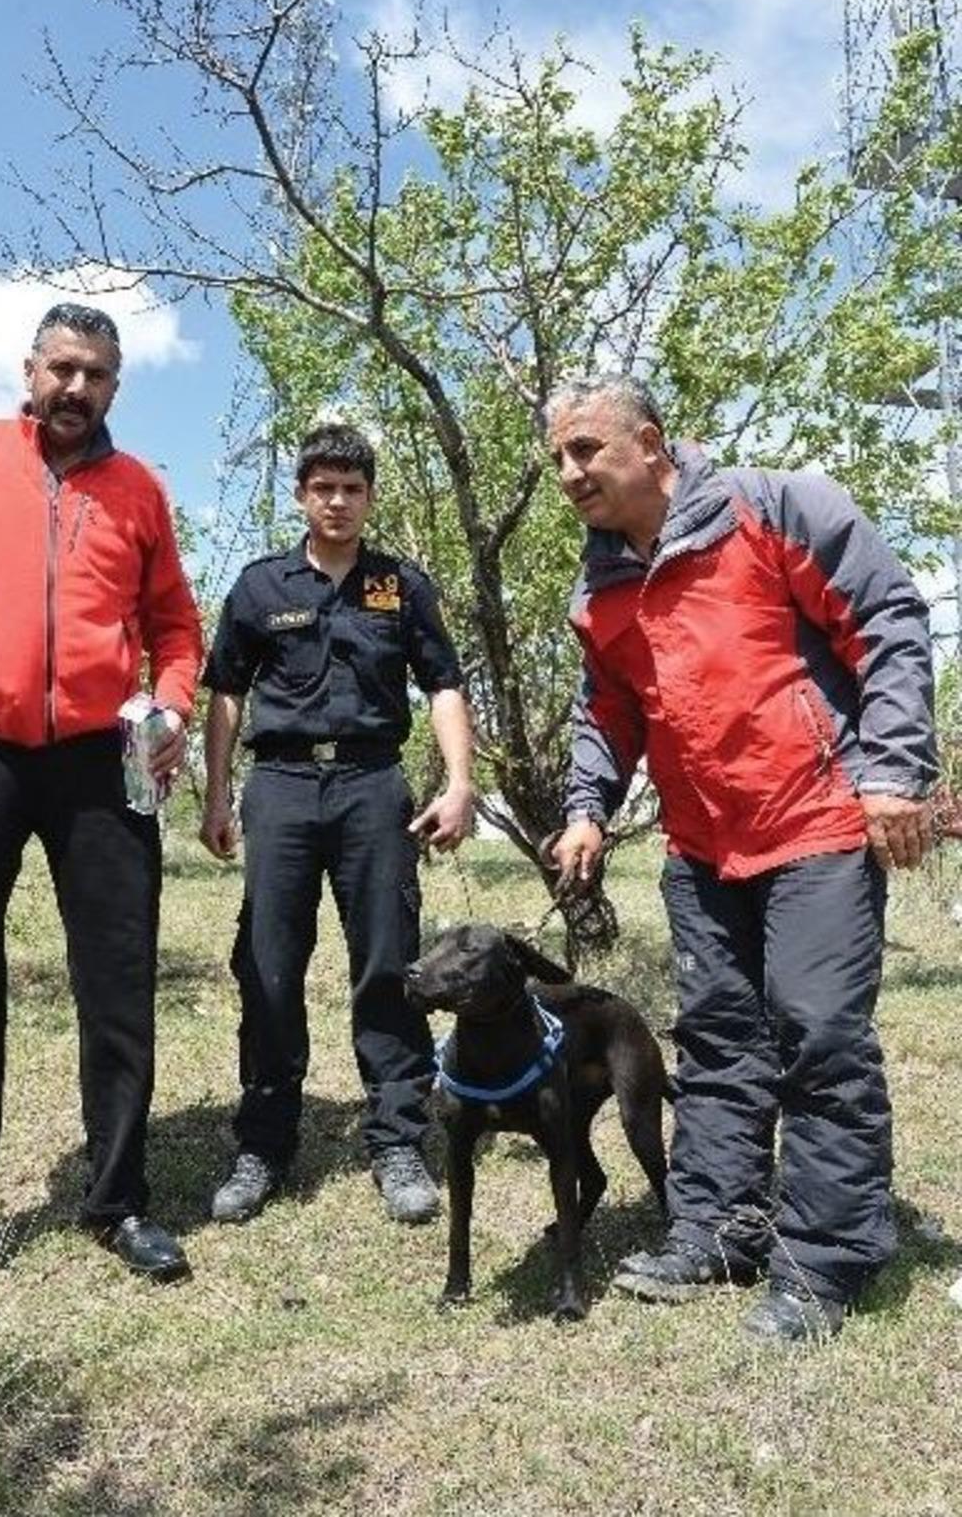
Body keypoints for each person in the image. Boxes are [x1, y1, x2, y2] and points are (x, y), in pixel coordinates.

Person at [546, 373, 936, 1344]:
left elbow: (888, 619)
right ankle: (719, 1224)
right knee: (718, 1041)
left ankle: (824, 1260)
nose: (569, 472)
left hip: (816, 825)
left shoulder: (776, 509)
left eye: (586, 449)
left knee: (818, 1039)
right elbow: (611, 713)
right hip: (702, 848)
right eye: (557, 457)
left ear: (651, 441)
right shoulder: (598, 589)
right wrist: (587, 805)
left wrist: (892, 770)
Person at [0, 303, 203, 1311]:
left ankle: (115, 1198)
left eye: (96, 374)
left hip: (100, 759)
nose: (76, 388)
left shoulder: (139, 489)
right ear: (30, 370)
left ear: (116, 386)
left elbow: (178, 629)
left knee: (118, 978)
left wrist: (173, 710)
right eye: (62, 368)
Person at [200, 421, 474, 1226]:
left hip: (372, 784)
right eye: (324, 487)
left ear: (370, 496)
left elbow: (445, 685)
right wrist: (218, 794)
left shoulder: (401, 584)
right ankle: (263, 1141)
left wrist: (459, 783)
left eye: (353, 489)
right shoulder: (260, 585)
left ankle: (396, 1136)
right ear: (301, 494)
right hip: (281, 784)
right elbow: (224, 692)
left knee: (389, 959)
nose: (339, 501)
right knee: (269, 963)